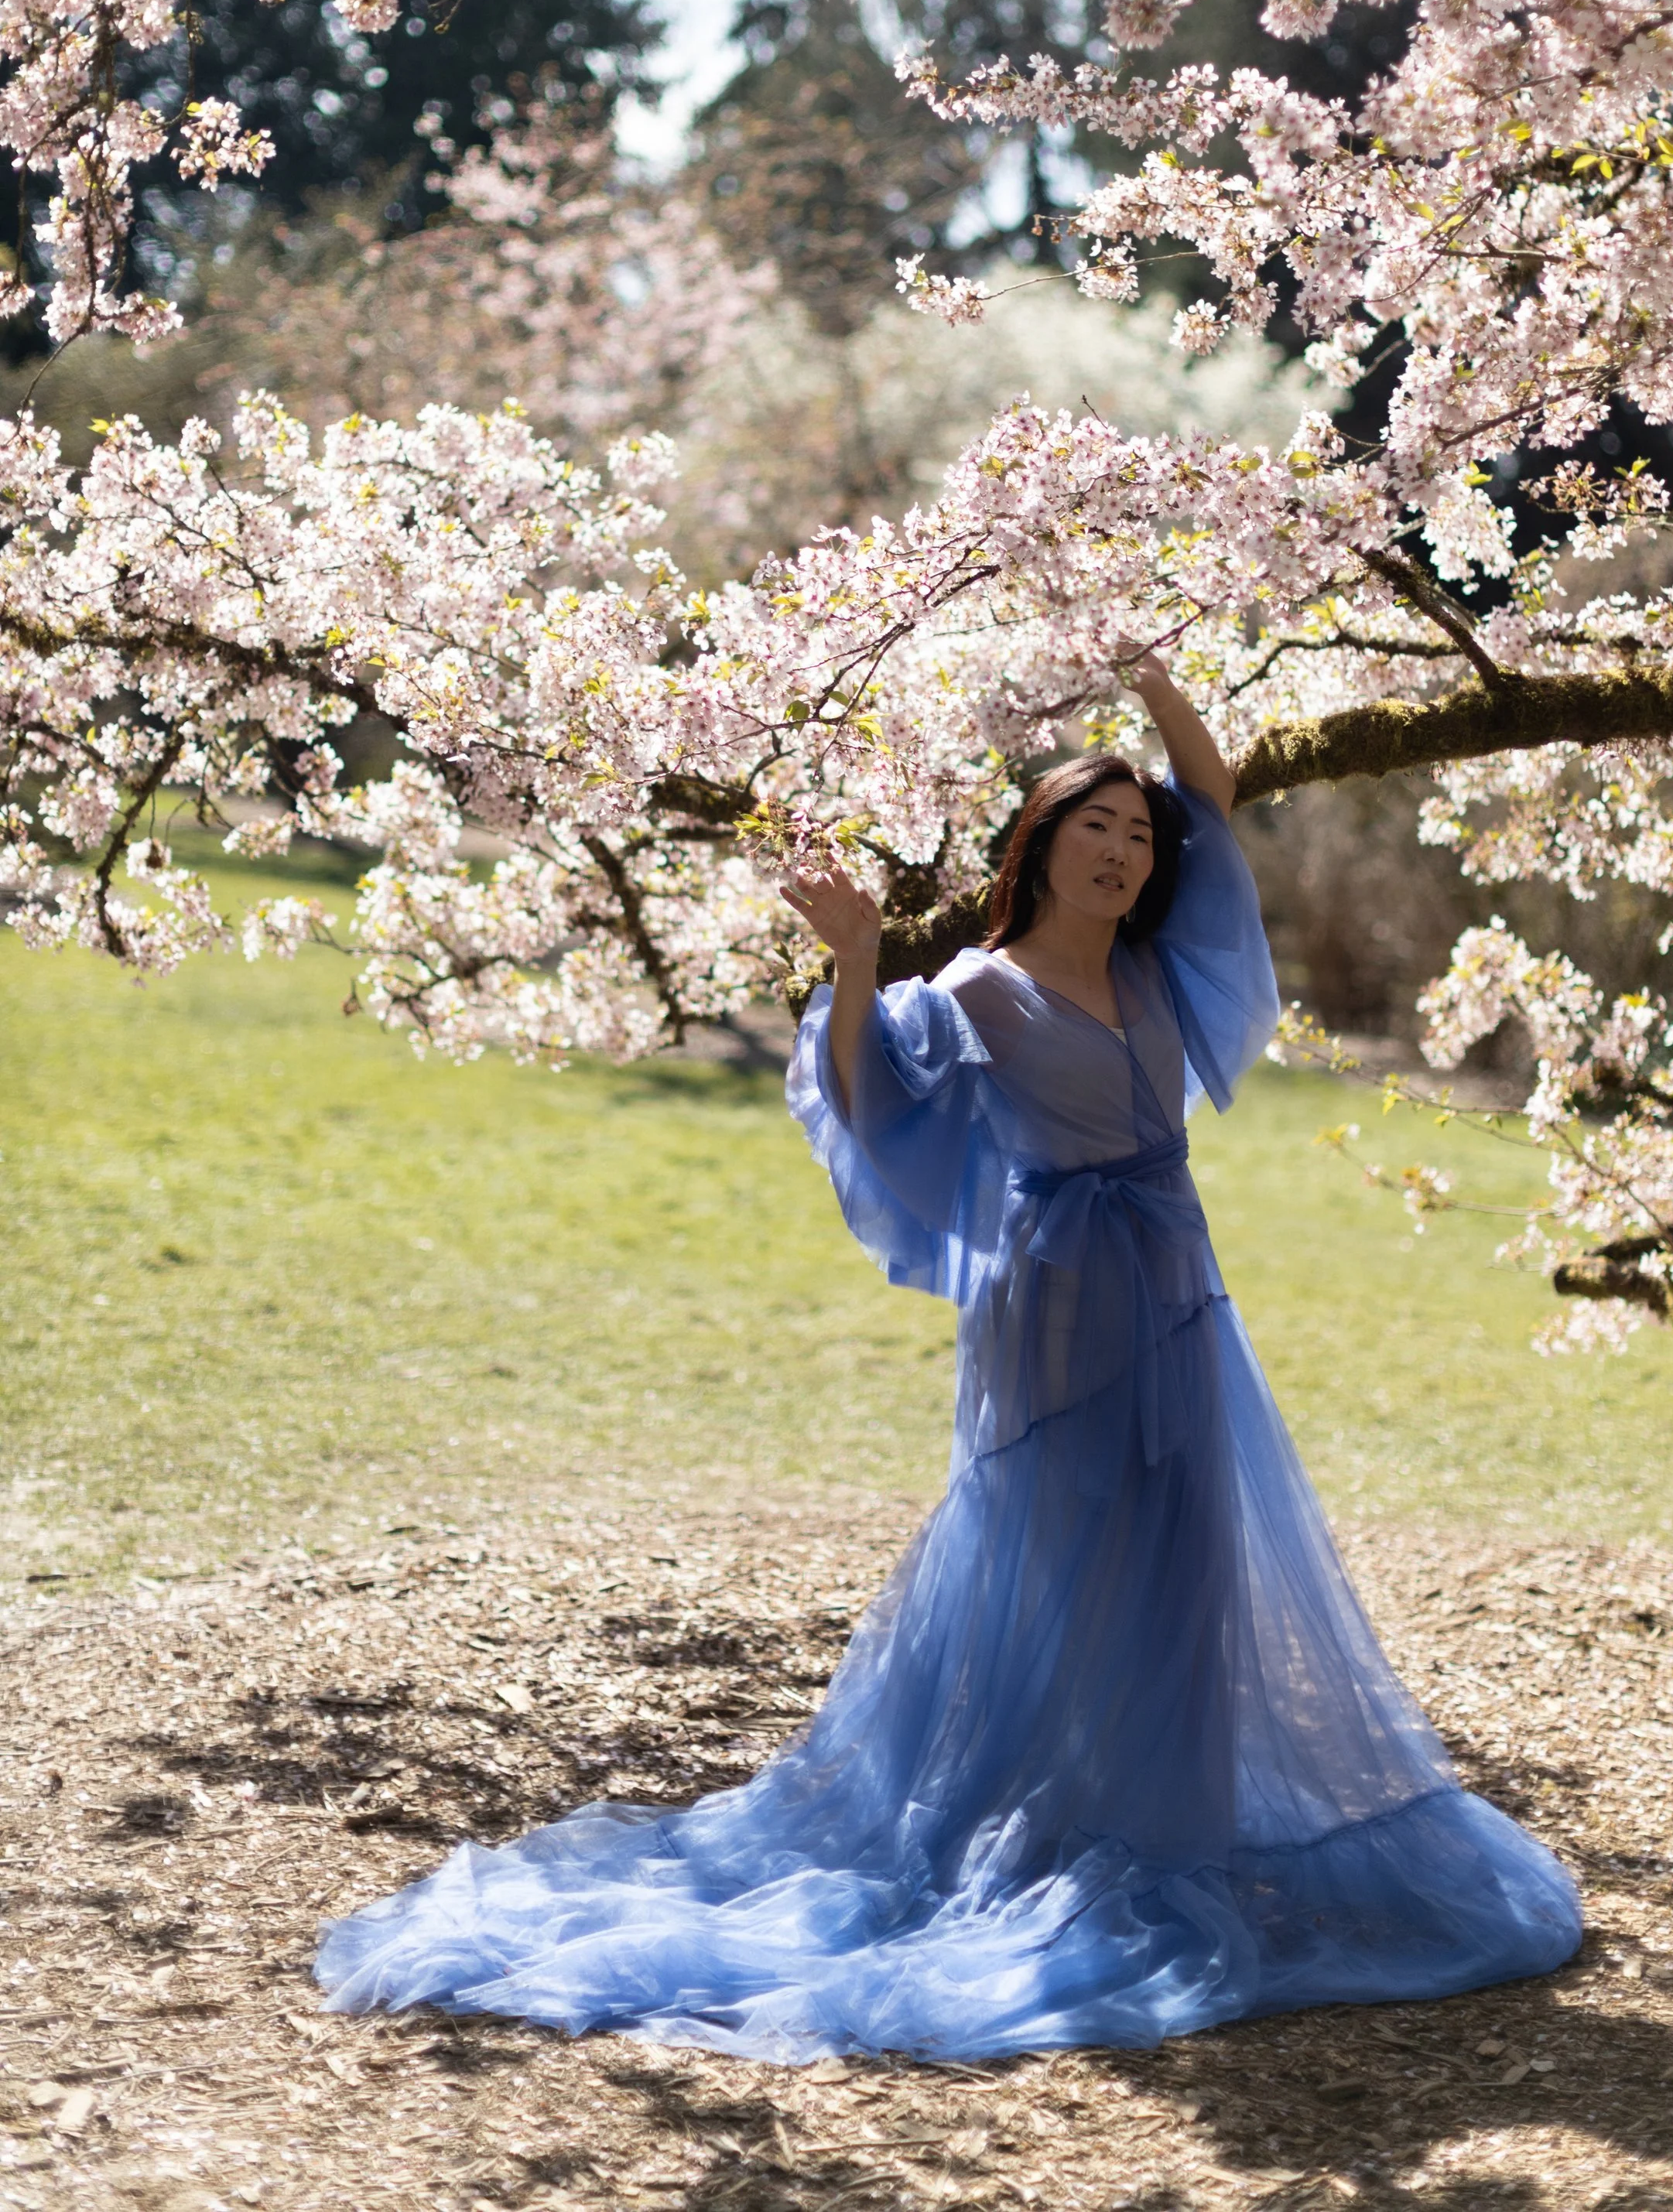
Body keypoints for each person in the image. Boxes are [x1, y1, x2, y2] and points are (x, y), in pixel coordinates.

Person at [314, 656, 1581, 2060]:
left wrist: (1157, 682)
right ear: (1037, 847)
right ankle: (1043, 1829)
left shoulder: (1160, 971)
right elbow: (868, 1097)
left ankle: (1159, 1826)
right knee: (1061, 1555)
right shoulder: (977, 989)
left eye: (1137, 836)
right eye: (1094, 826)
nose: (1123, 849)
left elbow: (1212, 799)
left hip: (1177, 1289)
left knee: (1188, 1552)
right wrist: (859, 966)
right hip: (1052, 1310)